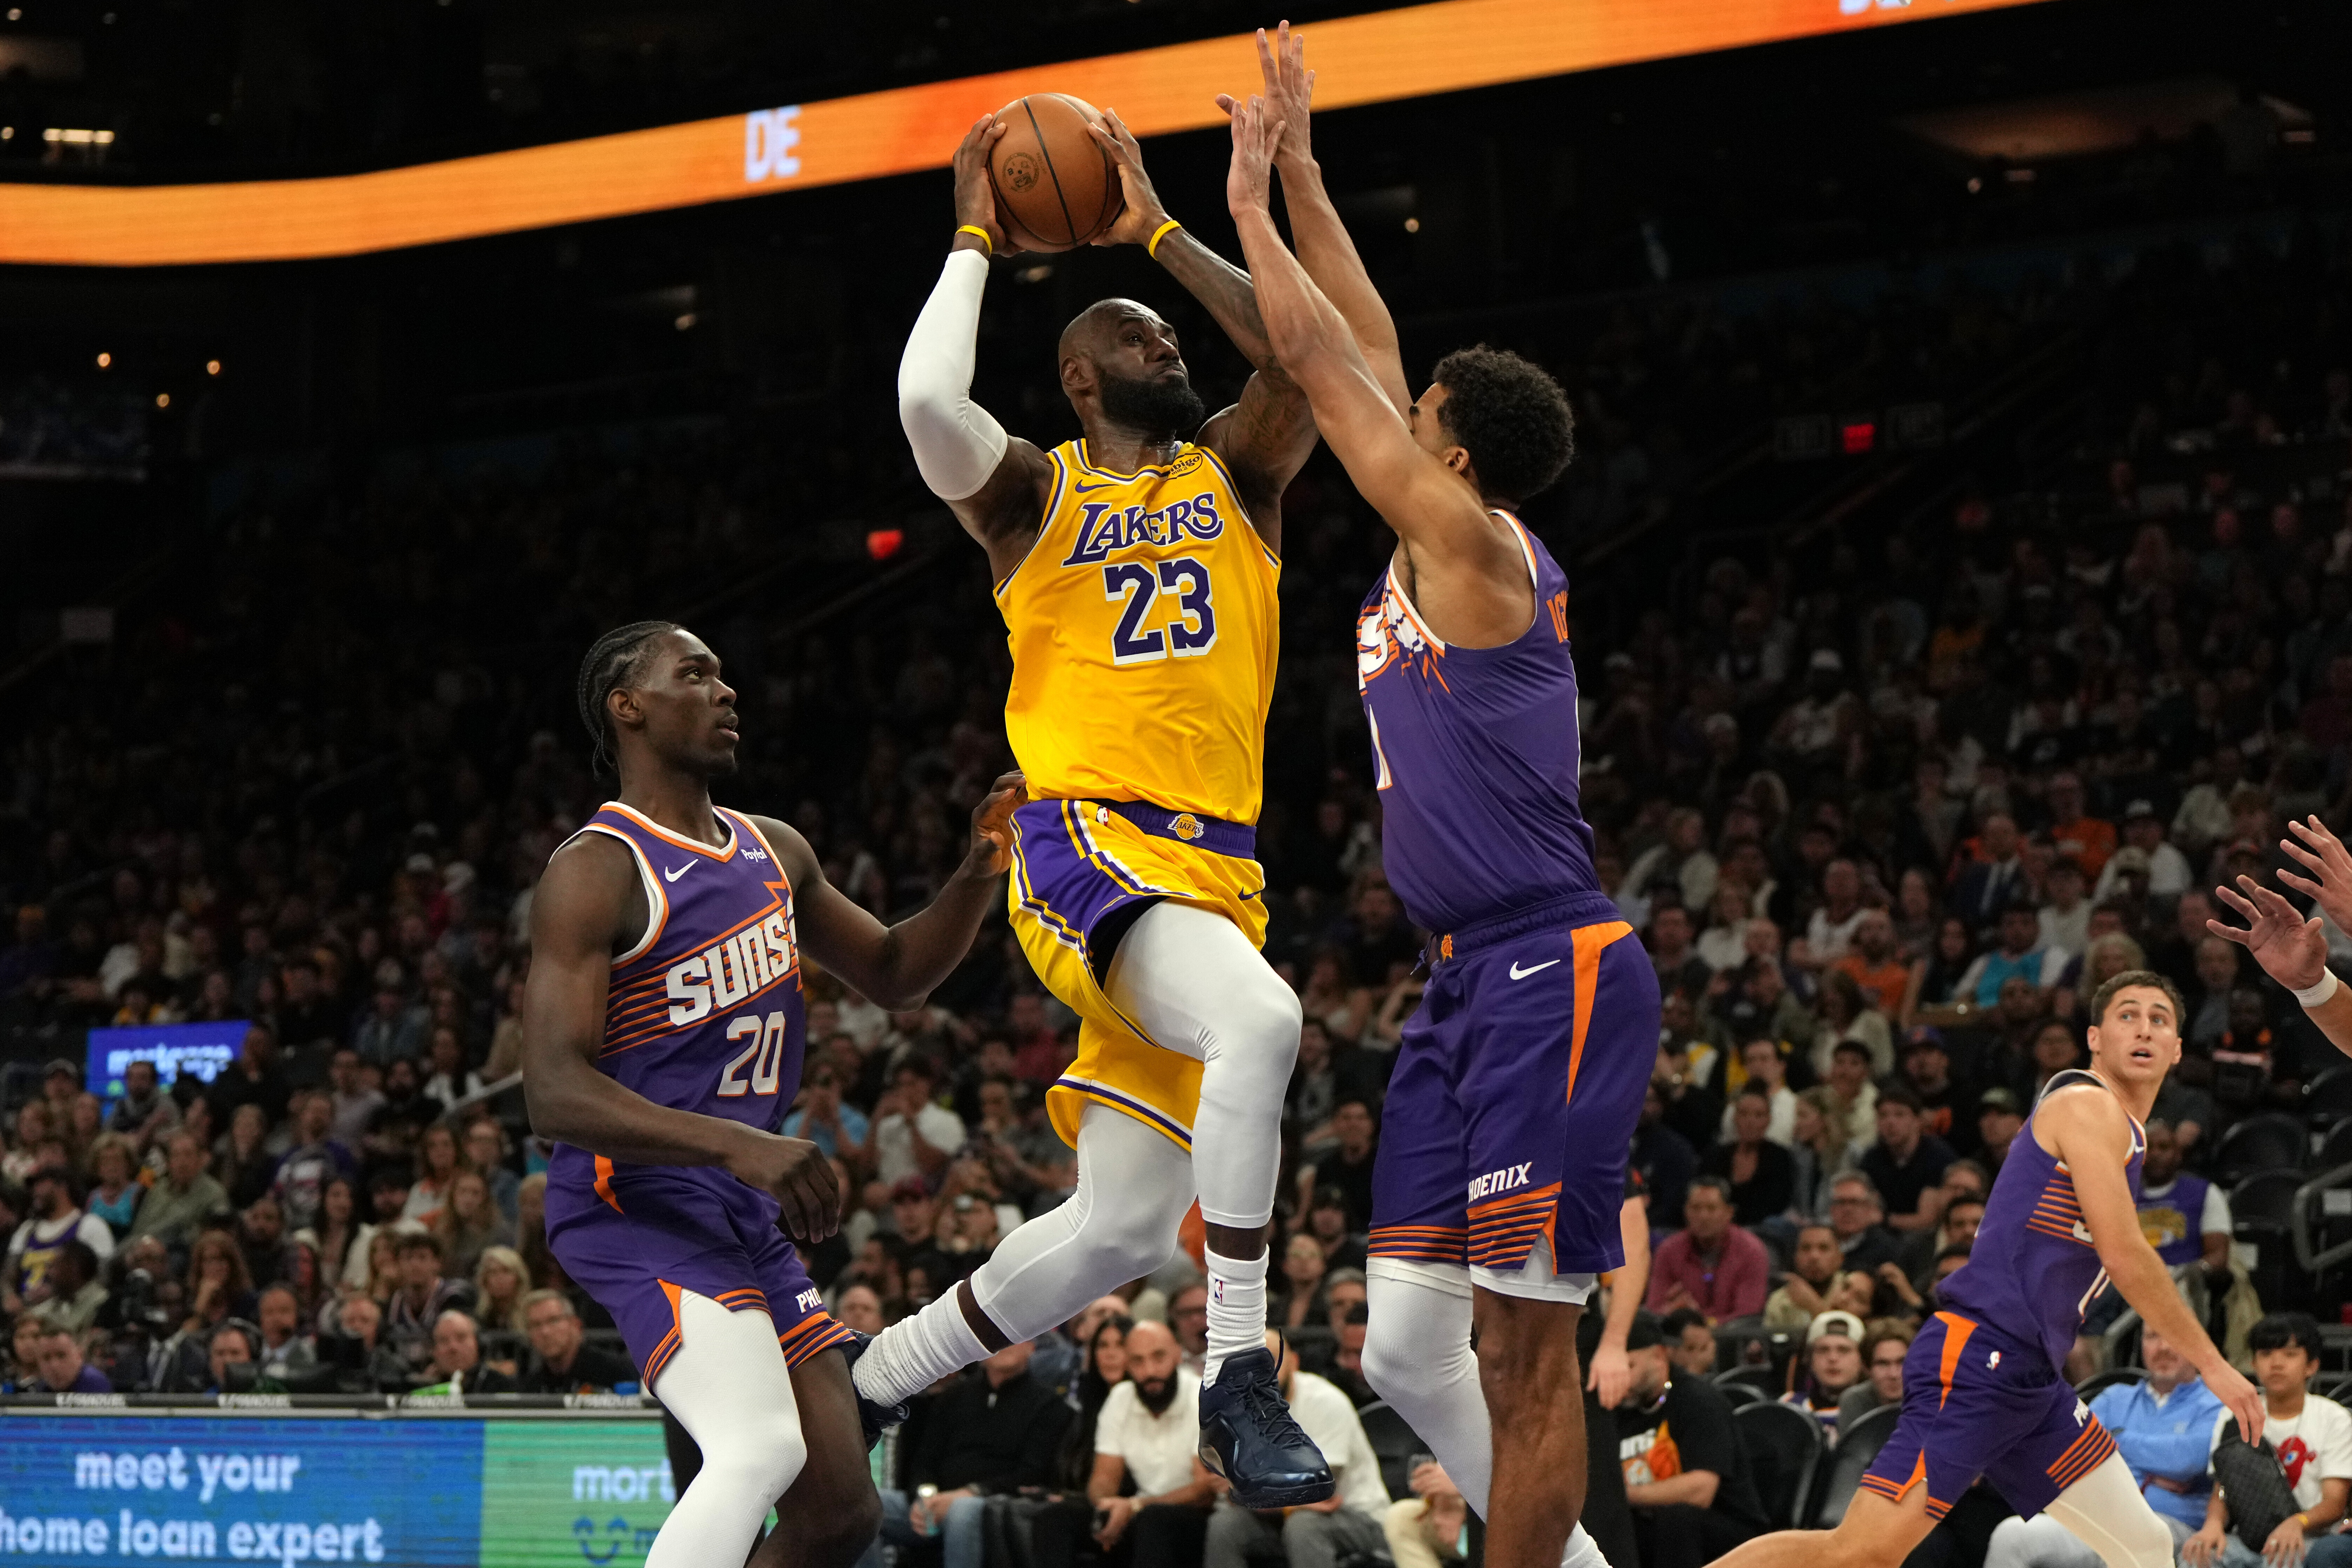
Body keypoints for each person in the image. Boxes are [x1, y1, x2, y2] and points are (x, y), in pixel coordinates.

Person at [1224, 34, 1660, 1568]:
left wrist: (1235, 198)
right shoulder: (1440, 534)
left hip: (1555, 963)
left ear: (1452, 450)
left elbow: (1321, 359)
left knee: (1520, 1348)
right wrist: (1301, 164)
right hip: (1459, 983)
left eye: (1416, 408)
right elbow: (1361, 333)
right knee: (1407, 1343)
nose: (1390, 403)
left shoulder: (1473, 548)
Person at [873, 69, 1328, 1510]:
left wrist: (1152, 236)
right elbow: (921, 398)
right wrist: (970, 236)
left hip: (1216, 876)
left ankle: (861, 1380)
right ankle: (1239, 1374)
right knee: (1261, 1017)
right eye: (1133, 331)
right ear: (1079, 379)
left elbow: (1303, 359)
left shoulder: (1237, 475)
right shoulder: (1030, 494)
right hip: (1086, 848)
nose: (1159, 336)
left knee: (1121, 1224)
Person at [525, 621, 1024, 1568]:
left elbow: (894, 969)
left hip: (741, 1205)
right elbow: (552, 1090)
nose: (727, 691)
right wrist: (739, 1145)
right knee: (759, 1446)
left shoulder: (775, 850)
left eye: (724, 674)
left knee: (840, 1506)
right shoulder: (596, 867)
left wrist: (976, 869)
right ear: (627, 705)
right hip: (631, 1196)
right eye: (696, 673)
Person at [1707, 971, 2261, 1568]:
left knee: (2146, 1546)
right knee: (1861, 1554)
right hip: (1978, 1361)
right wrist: (2214, 1366)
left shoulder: (2124, 1135)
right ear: (2095, 1038)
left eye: (2160, 1018)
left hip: (2032, 1384)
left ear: (2179, 1049)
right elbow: (2127, 1255)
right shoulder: (2084, 1103)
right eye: (2129, 1014)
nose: (2145, 1027)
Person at [1986, 1326, 2223, 1568]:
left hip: (2169, 1524)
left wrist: (2112, 1441)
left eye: (2174, 1335)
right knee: (2012, 1535)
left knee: (2126, 1545)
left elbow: (2187, 1460)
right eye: (2153, 1336)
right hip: (2097, 1519)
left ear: (2196, 1342)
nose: (2163, 1347)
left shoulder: (2215, 1402)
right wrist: (2151, 1468)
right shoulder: (2114, 1396)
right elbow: (2073, 1449)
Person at [879, 1337, 1073, 1568]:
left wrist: (969, 1493)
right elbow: (924, 1461)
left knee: (963, 1510)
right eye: (996, 1336)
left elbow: (1032, 1473)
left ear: (1032, 1346)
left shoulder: (1049, 1406)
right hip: (937, 1503)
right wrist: (925, 1497)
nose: (1003, 1344)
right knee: (869, 1506)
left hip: (996, 1507)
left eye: (1015, 1336)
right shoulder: (952, 1396)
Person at [1205, 1329, 1391, 1568]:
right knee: (1225, 1525)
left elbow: (1318, 1490)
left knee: (1304, 1524)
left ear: (1293, 1362)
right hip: (1282, 1518)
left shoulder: (1326, 1401)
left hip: (1359, 1517)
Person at [2183, 1314, 2352, 1568]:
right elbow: (2223, 1487)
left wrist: (2297, 1523)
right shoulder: (2234, 1413)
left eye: (2290, 1354)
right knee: (2196, 1558)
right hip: (2248, 1536)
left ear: (2312, 1365)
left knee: (2280, 1561)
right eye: (2266, 1353)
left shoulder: (2334, 1418)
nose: (2276, 1363)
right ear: (2253, 1362)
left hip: (2311, 1537)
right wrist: (2213, 1524)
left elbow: (2335, 1503)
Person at [1615, 1312, 1768, 1568]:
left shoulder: (1698, 1401)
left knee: (1677, 1518)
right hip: (1657, 1525)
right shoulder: (1618, 1406)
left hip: (1728, 1528)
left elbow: (1701, 1490)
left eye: (1630, 1366)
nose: (1621, 1378)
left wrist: (1622, 1495)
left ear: (1659, 1356)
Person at [1089, 1321, 1220, 1568]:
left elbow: (1204, 1490)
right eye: (1137, 1361)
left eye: (1159, 1357)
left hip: (1197, 1516)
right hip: (1140, 1511)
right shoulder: (1121, 1398)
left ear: (1178, 1355)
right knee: (1057, 1517)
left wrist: (1134, 1505)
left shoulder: (1203, 1397)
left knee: (1154, 1519)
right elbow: (1103, 1477)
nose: (1149, 1371)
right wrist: (1107, 1505)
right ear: (1128, 1364)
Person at [1645, 1177, 1769, 1322]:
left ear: (1729, 1213)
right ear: (1686, 1212)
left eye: (1712, 1209)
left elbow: (1748, 1314)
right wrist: (1673, 1312)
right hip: (1681, 1340)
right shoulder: (1668, 1251)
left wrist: (1702, 1322)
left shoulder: (1751, 1251)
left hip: (1733, 1339)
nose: (1703, 1216)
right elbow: (1654, 1309)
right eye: (1696, 1208)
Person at [515, 1288, 637, 1393]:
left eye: (554, 1321)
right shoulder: (531, 1388)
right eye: (536, 1325)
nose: (545, 1332)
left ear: (575, 1325)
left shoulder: (619, 1373)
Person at [28, 1319, 112, 1393]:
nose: (54, 1365)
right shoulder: (40, 1388)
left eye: (61, 1356)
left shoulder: (95, 1383)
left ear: (80, 1356)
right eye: (46, 1358)